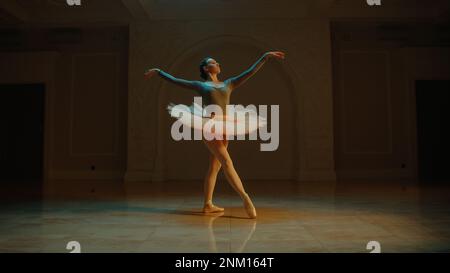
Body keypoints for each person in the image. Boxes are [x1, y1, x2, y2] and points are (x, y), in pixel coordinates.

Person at [144, 51, 285, 218]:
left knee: (215, 166)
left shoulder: (229, 83)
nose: (217, 64)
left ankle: (208, 204)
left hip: (226, 125)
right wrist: (159, 72)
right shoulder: (201, 85)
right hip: (210, 125)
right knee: (226, 161)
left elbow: (250, 72)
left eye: (218, 62)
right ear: (205, 68)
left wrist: (265, 56)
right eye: (213, 62)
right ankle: (245, 198)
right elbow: (176, 81)